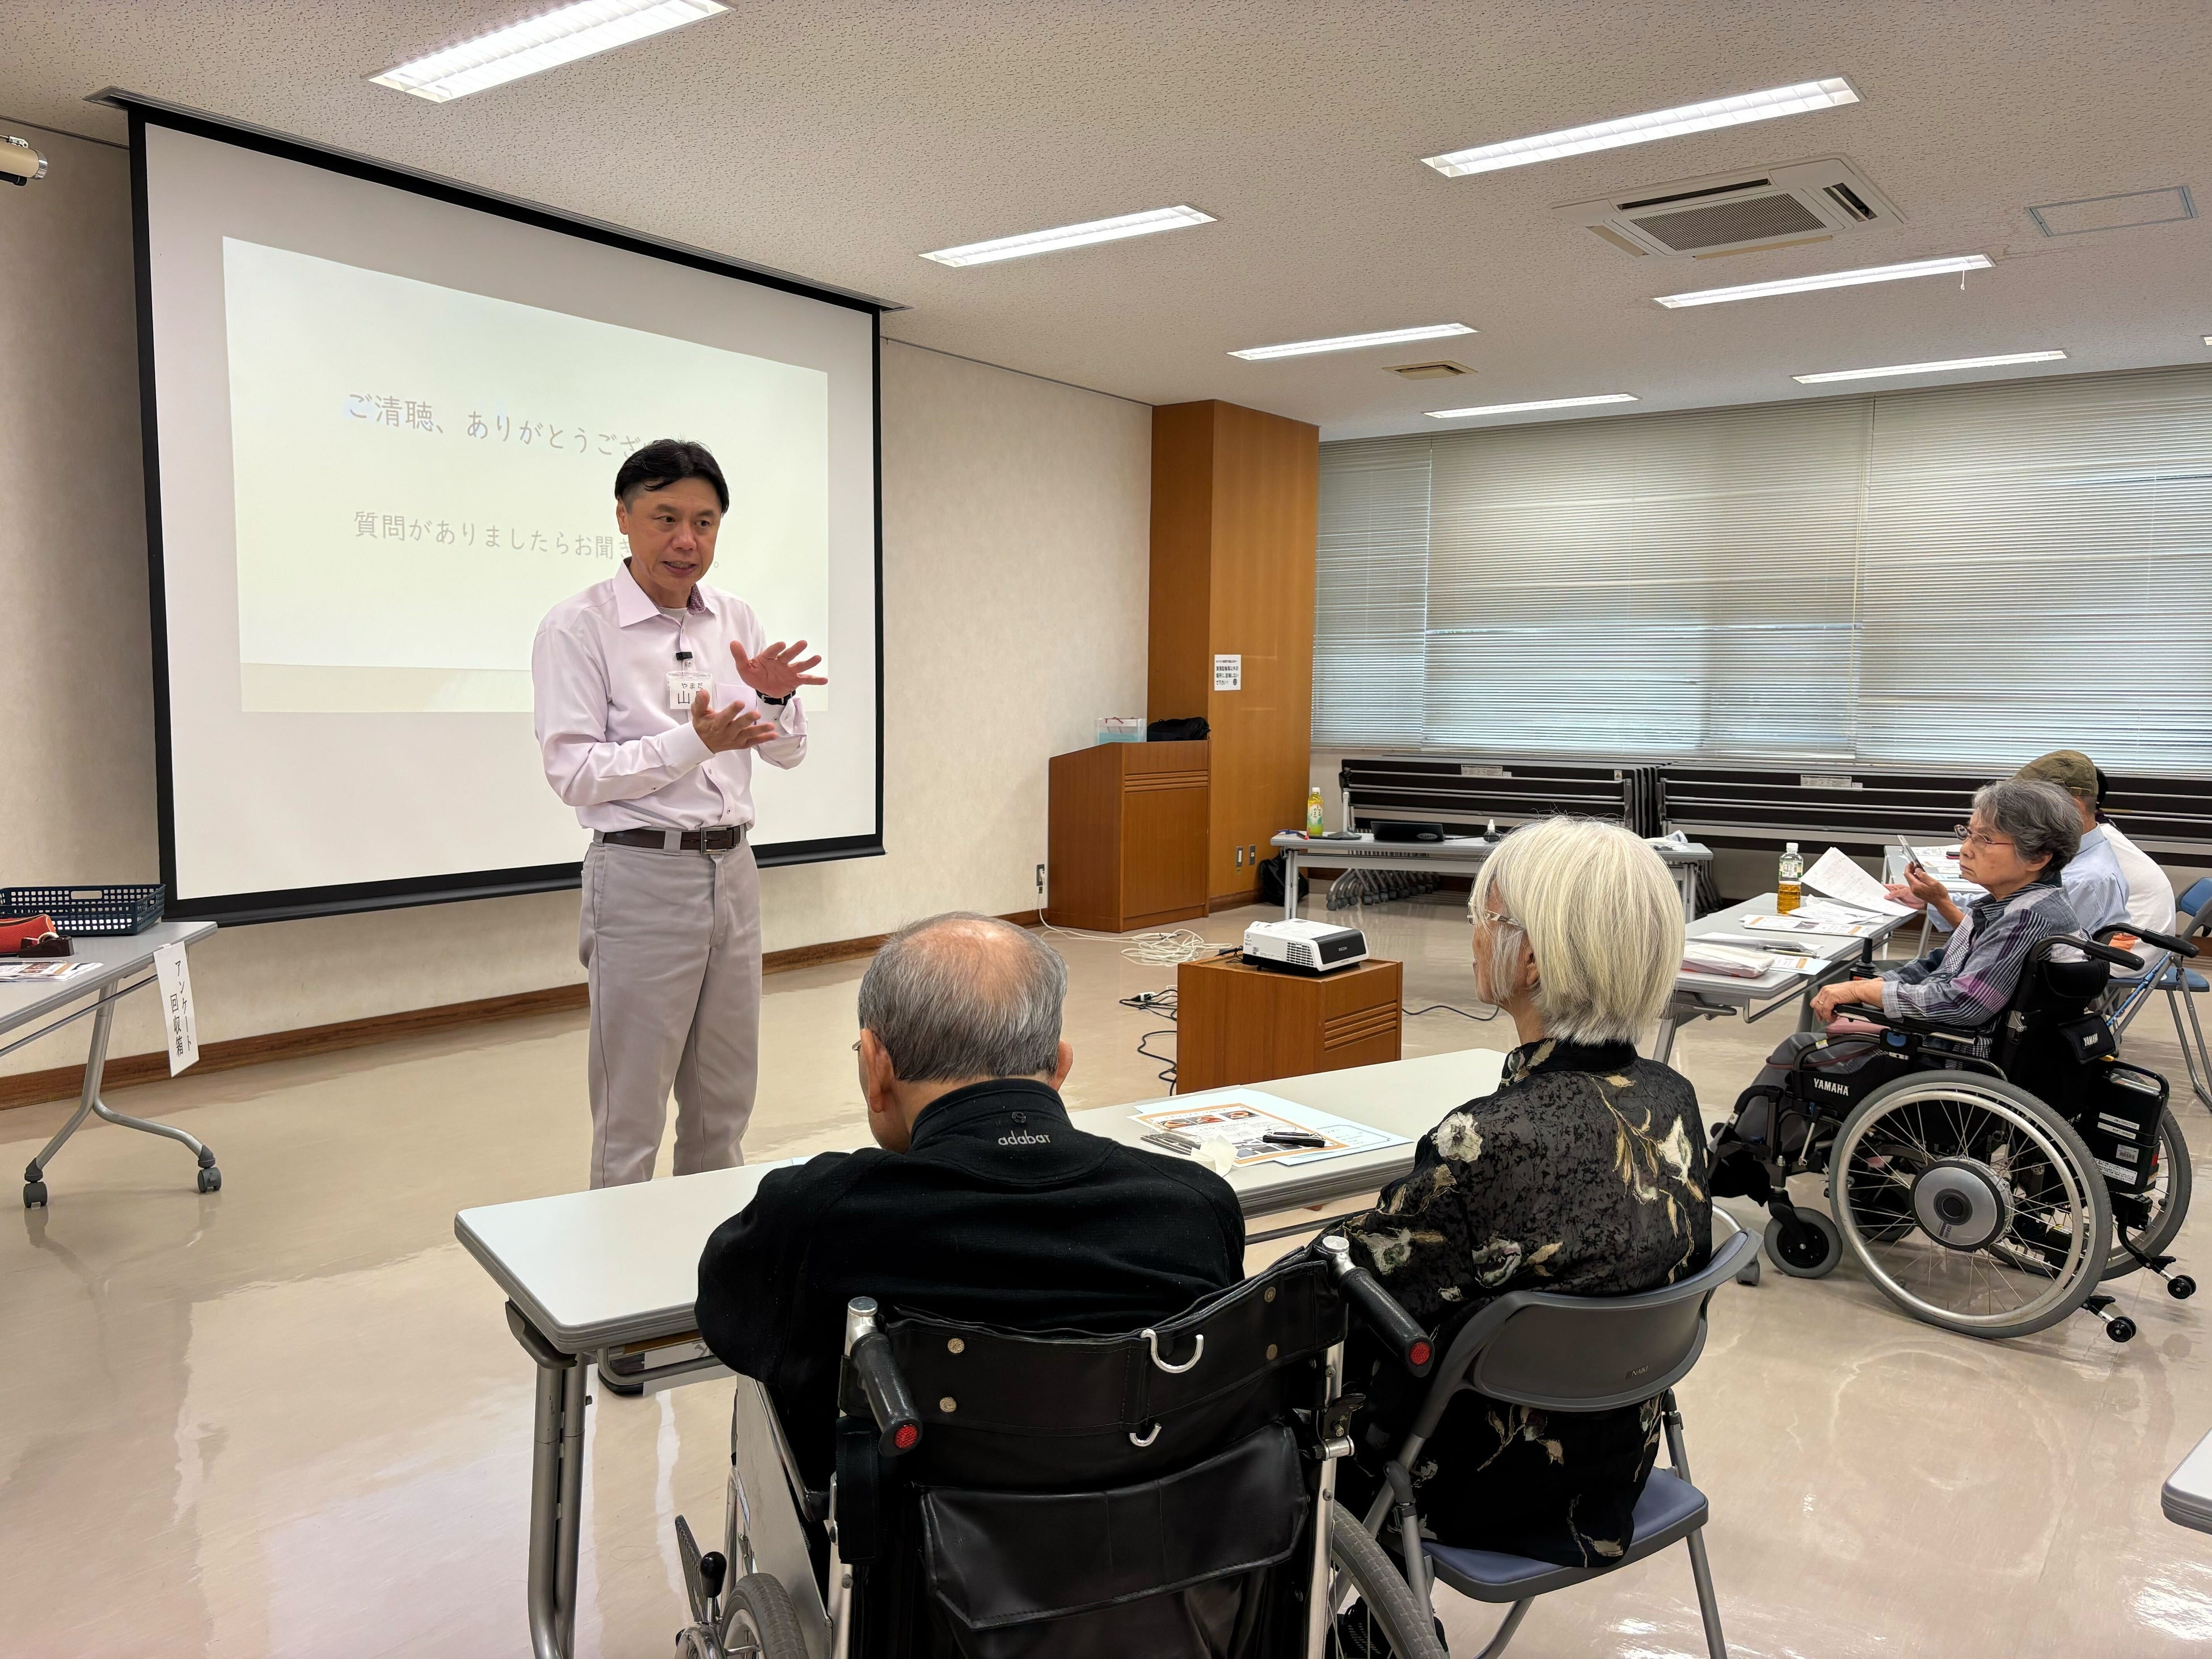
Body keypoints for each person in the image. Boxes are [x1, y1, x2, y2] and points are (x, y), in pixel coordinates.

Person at [695, 913, 1244, 1489]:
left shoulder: (816, 1215)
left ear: (875, 1066)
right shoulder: (1196, 1208)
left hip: (901, 1541)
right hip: (1156, 1531)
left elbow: (729, 1320)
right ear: (1060, 1065)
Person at [1336, 818, 1708, 1570]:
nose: (1476, 933)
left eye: (1487, 916)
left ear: (1531, 958)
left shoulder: (1487, 1140)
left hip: (1473, 1488)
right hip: (1614, 1471)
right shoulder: (1674, 1100)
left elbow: (1358, 1289)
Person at [532, 438, 828, 1213]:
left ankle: (711, 1256)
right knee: (630, 1115)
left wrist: (772, 702)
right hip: (640, 873)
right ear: (624, 518)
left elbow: (788, 752)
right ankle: (617, 1274)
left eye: (704, 522)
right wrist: (694, 741)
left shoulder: (735, 617)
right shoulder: (577, 628)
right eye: (666, 518)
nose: (686, 540)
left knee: (723, 1103)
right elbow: (575, 773)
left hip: (734, 871)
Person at [1717, 779, 2084, 1194]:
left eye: (1985, 839)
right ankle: (1840, 1157)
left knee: (1800, 1050)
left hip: (1951, 1061)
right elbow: (1939, 963)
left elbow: (1963, 1003)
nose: (1966, 849)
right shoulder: (2017, 905)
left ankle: (1740, 1159)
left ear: (2038, 857)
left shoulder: (2025, 918)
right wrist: (1875, 985)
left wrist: (1866, 994)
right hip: (1958, 1047)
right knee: (1842, 1015)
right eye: (1968, 833)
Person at [1889, 752, 2136, 939]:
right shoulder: (2076, 855)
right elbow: (2002, 909)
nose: (1966, 849)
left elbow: (1999, 945)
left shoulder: (2080, 879)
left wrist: (1941, 903)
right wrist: (1935, 900)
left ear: (2071, 807)